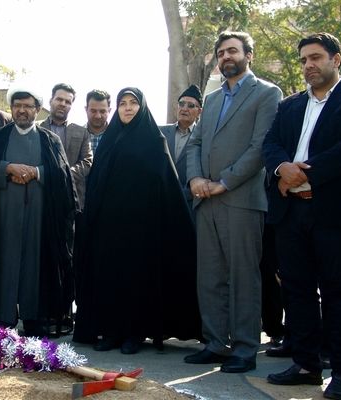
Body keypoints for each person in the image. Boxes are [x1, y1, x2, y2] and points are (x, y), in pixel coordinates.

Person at [263, 33, 341, 400]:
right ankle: (306, 365)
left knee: (340, 292)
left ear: (336, 60)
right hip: (290, 212)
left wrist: (303, 174)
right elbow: (270, 143)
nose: (308, 65)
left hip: (334, 213)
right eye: (303, 60)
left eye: (315, 58)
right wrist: (282, 168)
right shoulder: (289, 105)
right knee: (296, 290)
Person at [74, 87, 200, 354]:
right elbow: (97, 181)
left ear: (141, 107)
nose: (128, 108)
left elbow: (166, 185)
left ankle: (135, 334)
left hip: (142, 228)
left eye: (133, 103)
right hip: (109, 226)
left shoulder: (155, 141)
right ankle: (110, 332)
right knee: (109, 277)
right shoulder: (110, 139)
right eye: (122, 103)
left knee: (137, 280)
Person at [184, 31, 282, 372]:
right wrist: (196, 179)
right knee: (209, 275)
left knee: (243, 276)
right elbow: (194, 143)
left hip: (241, 199)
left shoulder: (267, 93)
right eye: (221, 52)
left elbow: (260, 148)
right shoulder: (210, 99)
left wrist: (223, 182)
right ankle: (215, 342)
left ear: (248, 55)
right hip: (205, 199)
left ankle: (244, 347)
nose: (226, 56)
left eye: (233, 51)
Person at [0, 85, 76, 337]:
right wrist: (7, 167)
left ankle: (33, 316)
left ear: (37, 110)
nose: (22, 111)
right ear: (11, 108)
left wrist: (36, 172)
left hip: (39, 217)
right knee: (4, 261)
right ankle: (4, 315)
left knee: (35, 263)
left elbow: (62, 176)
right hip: (2, 215)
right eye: (17, 106)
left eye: (28, 106)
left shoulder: (50, 140)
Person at [40, 83, 92, 210]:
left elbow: (87, 161)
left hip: (71, 196)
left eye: (68, 101)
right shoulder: (37, 128)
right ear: (50, 100)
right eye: (59, 99)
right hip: (41, 194)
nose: (63, 104)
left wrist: (66, 175)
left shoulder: (81, 132)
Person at [160, 84, 202, 214]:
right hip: (159, 204)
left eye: (190, 106)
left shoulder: (204, 139)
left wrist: (180, 195)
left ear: (200, 111)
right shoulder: (160, 132)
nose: (184, 109)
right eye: (181, 104)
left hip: (189, 207)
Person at [84, 89, 111, 154]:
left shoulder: (117, 136)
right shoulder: (76, 136)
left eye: (102, 111)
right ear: (86, 109)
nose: (98, 116)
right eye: (93, 111)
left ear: (109, 111)